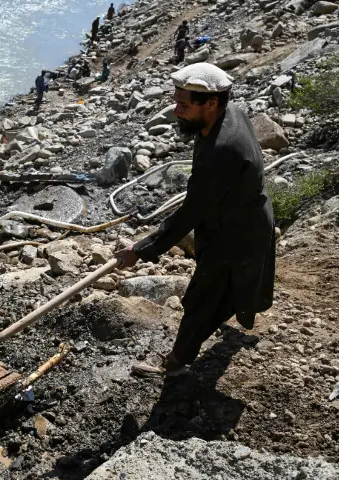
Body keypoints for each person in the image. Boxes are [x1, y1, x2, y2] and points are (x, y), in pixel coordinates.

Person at [114, 63, 275, 374]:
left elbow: (191, 211)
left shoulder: (222, 150)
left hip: (234, 234)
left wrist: (142, 249)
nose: (176, 112)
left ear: (211, 103)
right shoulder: (232, 114)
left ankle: (175, 363)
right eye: (177, 103)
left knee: (201, 299)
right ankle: (236, 321)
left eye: (184, 105)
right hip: (247, 217)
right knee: (237, 285)